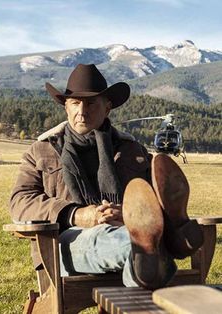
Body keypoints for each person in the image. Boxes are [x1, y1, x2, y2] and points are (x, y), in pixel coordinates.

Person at [10, 64, 203, 289]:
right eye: (75, 103)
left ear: (107, 107)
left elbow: (153, 200)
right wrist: (75, 214)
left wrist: (129, 213)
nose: (82, 111)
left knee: (141, 255)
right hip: (66, 242)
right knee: (131, 243)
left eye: (91, 103)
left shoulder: (133, 151)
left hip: (125, 229)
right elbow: (20, 202)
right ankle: (165, 242)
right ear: (66, 107)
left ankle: (150, 249)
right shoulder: (41, 150)